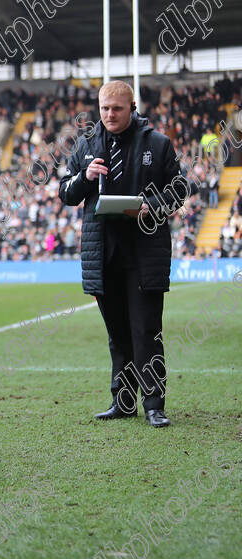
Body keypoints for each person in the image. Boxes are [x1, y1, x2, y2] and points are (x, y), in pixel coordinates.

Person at [58, 81, 189, 428]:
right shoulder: (86, 145)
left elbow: (180, 188)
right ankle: (123, 401)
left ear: (132, 106)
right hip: (103, 255)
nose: (109, 115)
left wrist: (152, 206)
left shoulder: (158, 144)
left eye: (117, 108)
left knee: (146, 331)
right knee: (117, 334)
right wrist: (84, 177)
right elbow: (65, 193)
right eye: (104, 108)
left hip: (144, 253)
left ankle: (154, 405)